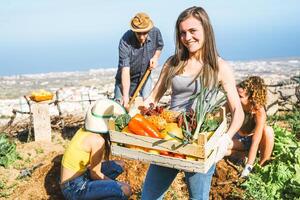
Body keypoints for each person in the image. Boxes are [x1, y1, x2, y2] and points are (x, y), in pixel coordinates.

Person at [141, 6, 244, 200]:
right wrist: (144, 105)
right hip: (169, 137)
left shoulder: (219, 67)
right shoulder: (173, 63)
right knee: (149, 196)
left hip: (200, 141)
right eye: (182, 33)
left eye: (193, 31)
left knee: (198, 198)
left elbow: (238, 111)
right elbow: (153, 97)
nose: (187, 37)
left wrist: (226, 138)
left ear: (206, 29)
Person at [60, 99, 132, 200]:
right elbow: (95, 174)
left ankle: (100, 192)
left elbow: (92, 165)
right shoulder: (97, 140)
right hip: (74, 188)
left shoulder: (84, 130)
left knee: (119, 165)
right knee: (125, 190)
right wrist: (118, 184)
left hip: (80, 176)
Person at [114, 12, 164, 109]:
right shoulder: (125, 41)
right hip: (126, 80)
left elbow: (159, 46)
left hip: (145, 77)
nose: (141, 37)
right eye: (138, 33)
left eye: (144, 33)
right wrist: (125, 97)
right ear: (133, 30)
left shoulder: (155, 32)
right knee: (119, 107)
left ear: (149, 29)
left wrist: (155, 57)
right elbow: (125, 70)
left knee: (147, 106)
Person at [228, 76, 274, 177]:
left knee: (268, 131)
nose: (236, 98)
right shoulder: (234, 103)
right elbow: (219, 115)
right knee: (224, 147)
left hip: (248, 141)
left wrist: (248, 167)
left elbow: (256, 141)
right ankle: (242, 155)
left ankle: (261, 165)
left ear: (251, 97)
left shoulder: (259, 112)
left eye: (240, 96)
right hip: (236, 137)